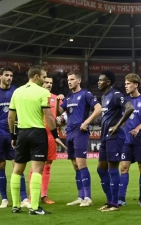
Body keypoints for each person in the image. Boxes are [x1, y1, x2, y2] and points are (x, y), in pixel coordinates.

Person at [8, 65, 66, 215]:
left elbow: (10, 117)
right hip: (38, 133)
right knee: (38, 169)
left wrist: (13, 136)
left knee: (17, 169)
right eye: (43, 76)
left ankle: (16, 205)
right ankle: (34, 207)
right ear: (36, 76)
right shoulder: (42, 92)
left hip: (22, 132)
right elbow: (48, 116)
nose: (45, 79)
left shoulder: (17, 91)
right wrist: (55, 135)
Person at [56, 71, 101, 207]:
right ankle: (80, 196)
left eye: (72, 79)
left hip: (80, 132)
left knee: (81, 164)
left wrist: (87, 122)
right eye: (68, 80)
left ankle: (88, 197)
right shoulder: (69, 97)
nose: (69, 82)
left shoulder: (86, 94)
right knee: (75, 166)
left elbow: (98, 109)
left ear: (79, 80)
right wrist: (59, 100)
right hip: (68, 132)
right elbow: (60, 113)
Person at [97, 71, 134, 212]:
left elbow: (130, 108)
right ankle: (109, 201)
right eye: (99, 80)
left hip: (115, 136)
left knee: (113, 169)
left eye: (101, 80)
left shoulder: (116, 95)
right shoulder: (104, 96)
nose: (98, 82)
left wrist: (117, 126)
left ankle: (114, 204)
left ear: (108, 82)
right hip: (105, 137)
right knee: (101, 169)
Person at [118, 73, 141, 207]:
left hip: (140, 140)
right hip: (126, 140)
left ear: (135, 85)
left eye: (128, 83)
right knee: (124, 167)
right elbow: (122, 119)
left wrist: (138, 129)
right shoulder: (125, 101)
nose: (125, 86)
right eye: (125, 84)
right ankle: (121, 198)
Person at [28, 76, 62, 204]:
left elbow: (58, 116)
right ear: (41, 83)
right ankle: (32, 195)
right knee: (36, 165)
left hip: (51, 136)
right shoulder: (35, 96)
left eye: (51, 83)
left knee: (48, 165)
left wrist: (59, 102)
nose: (49, 85)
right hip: (38, 134)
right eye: (46, 82)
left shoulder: (54, 97)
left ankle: (43, 195)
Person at [0, 67, 30, 209]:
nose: (9, 78)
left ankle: (24, 198)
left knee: (17, 165)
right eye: (6, 75)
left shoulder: (16, 91)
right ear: (1, 76)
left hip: (14, 133)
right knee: (1, 166)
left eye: (11, 75)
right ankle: (4, 199)